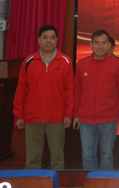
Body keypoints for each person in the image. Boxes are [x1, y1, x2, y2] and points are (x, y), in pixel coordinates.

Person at [13, 25, 74, 170]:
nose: (49, 41)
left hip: (56, 117)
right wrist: (19, 115)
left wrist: (68, 114)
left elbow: (69, 90)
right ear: (39, 40)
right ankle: (32, 181)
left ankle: (57, 181)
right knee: (32, 158)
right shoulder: (29, 61)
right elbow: (21, 90)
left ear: (57, 40)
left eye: (52, 37)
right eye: (45, 37)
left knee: (57, 157)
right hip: (32, 117)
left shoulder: (65, 61)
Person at [73, 29, 119, 170]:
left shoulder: (117, 64)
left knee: (107, 156)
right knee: (87, 157)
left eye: (104, 43)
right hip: (86, 120)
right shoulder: (81, 64)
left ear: (109, 45)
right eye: (96, 43)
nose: (100, 46)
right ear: (91, 44)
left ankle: (105, 181)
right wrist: (76, 114)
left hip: (110, 119)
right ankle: (91, 181)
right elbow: (77, 92)